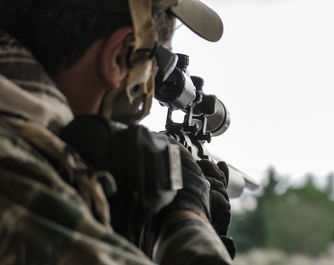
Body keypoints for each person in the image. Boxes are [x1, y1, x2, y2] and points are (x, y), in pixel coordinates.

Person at [0, 0, 233, 264]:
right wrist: (189, 218)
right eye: (160, 66)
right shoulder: (18, 182)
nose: (150, 91)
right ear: (121, 56)